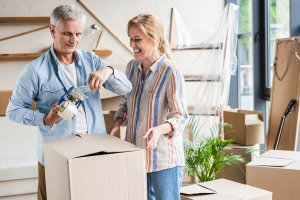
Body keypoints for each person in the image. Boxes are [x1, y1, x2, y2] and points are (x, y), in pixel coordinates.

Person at [6, 5, 132, 200]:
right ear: (52, 30)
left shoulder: (92, 61)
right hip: (55, 157)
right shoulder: (35, 70)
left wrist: (109, 71)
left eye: (78, 34)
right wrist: (46, 119)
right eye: (67, 34)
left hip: (93, 152)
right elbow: (13, 111)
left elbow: (125, 88)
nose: (74, 40)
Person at [110, 14, 188, 200]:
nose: (132, 44)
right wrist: (118, 120)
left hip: (163, 160)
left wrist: (159, 130)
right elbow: (125, 100)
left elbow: (181, 116)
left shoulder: (170, 71)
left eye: (137, 39)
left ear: (155, 39)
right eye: (130, 38)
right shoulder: (131, 67)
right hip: (135, 155)